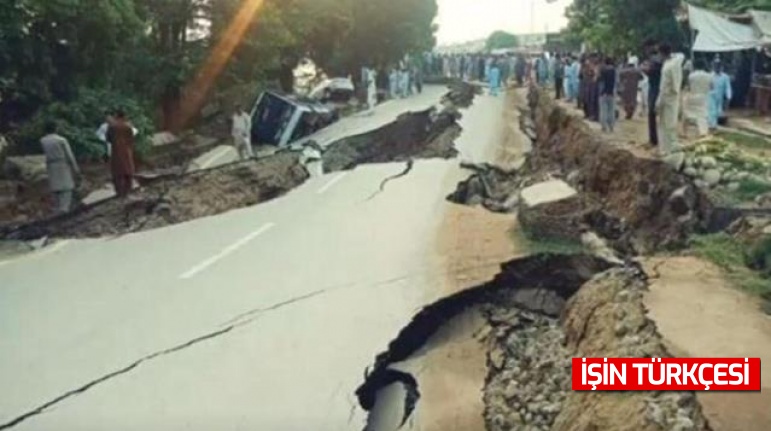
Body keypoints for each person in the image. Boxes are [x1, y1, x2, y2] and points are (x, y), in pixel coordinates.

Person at [41, 121, 81, 214]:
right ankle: (64, 208)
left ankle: (57, 207)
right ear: (55, 128)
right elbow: (70, 155)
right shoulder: (61, 140)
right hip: (62, 163)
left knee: (55, 186)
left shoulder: (43, 140)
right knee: (66, 186)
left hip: (51, 164)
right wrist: (75, 168)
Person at [656, 45, 685, 155]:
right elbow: (681, 55)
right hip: (670, 96)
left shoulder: (670, 66)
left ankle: (668, 148)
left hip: (668, 96)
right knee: (666, 123)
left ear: (663, 53)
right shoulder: (673, 62)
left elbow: (666, 86)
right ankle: (665, 147)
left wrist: (659, 100)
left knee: (668, 124)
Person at [106, 110, 136, 198]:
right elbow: (131, 139)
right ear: (124, 116)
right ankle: (127, 191)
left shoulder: (112, 127)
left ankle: (119, 192)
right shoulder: (128, 126)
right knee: (128, 171)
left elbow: (108, 139)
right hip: (127, 151)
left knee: (117, 172)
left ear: (116, 115)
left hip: (116, 152)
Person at [642, 40, 664, 146]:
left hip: (655, 88)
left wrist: (645, 70)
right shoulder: (658, 58)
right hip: (658, 87)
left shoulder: (654, 59)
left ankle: (653, 140)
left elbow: (652, 71)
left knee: (652, 113)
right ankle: (657, 139)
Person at [684, 60, 713, 137]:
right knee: (702, 115)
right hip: (703, 97)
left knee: (689, 114)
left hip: (693, 96)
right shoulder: (709, 76)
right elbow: (712, 87)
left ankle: (686, 132)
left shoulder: (691, 75)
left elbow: (688, 87)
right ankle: (703, 132)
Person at [709, 62, 733, 129]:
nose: (717, 68)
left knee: (718, 112)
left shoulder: (725, 77)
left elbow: (728, 87)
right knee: (712, 111)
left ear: (721, 67)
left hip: (720, 97)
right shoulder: (710, 75)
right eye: (715, 66)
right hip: (711, 96)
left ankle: (714, 124)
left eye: (718, 66)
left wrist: (729, 97)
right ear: (713, 67)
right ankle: (712, 125)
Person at [599, 56, 618, 133]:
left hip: (604, 93)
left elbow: (600, 81)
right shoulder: (614, 71)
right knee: (611, 110)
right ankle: (611, 127)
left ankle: (604, 127)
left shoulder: (603, 70)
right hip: (611, 93)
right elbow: (616, 82)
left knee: (603, 110)